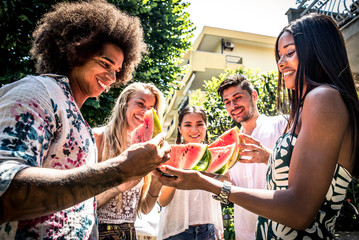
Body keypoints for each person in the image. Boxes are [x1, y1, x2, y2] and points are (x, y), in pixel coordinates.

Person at [155, 13, 359, 239]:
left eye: (290, 53)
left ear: (319, 50)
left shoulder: (322, 98)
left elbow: (299, 211)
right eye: (279, 56)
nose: (281, 63)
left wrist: (204, 183)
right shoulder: (311, 105)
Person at [0, 1, 170, 239]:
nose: (112, 77)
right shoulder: (36, 92)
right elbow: (4, 190)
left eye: (118, 70)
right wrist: (119, 169)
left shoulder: (79, 121)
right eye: (105, 63)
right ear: (75, 51)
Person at [217, 74, 287, 240]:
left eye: (237, 97)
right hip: (244, 234)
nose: (233, 105)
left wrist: (269, 157)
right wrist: (215, 178)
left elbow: (304, 169)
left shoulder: (282, 124)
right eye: (227, 102)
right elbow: (233, 188)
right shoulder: (230, 145)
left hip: (280, 231)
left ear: (254, 95)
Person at [93, 82, 164, 239]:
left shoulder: (147, 149)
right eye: (140, 104)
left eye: (151, 108)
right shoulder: (98, 138)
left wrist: (158, 182)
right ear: (125, 103)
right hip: (95, 232)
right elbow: (81, 202)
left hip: (129, 233)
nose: (145, 112)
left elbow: (144, 209)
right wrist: (118, 187)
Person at [157, 106, 224, 239]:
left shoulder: (217, 155)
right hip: (176, 232)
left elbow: (225, 191)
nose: (194, 130)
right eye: (188, 125)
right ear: (180, 129)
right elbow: (163, 202)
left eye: (199, 124)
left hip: (209, 230)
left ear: (206, 127)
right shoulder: (169, 155)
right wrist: (177, 174)